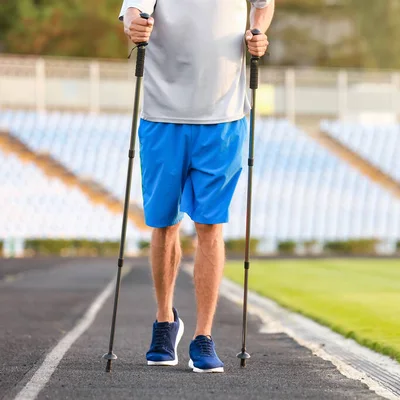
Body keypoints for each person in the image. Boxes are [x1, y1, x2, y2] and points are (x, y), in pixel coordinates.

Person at [118, 0, 274, 373]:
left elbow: (264, 5)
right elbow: (132, 14)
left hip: (224, 116)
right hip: (161, 113)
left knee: (210, 225)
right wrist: (135, 26)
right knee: (163, 224)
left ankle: (203, 337)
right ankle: (164, 321)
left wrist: (258, 32)